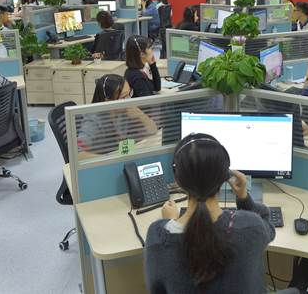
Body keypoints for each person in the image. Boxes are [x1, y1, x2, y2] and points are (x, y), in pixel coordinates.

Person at [145, 133, 275, 294]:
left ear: (178, 180)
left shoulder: (159, 237)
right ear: (225, 176)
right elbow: (268, 229)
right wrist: (244, 198)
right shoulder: (251, 227)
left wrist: (170, 222)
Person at [78, 74, 158, 154]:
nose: (129, 100)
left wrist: (141, 115)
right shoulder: (93, 120)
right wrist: (110, 157)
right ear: (107, 101)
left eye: (129, 93)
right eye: (123, 97)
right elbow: (79, 154)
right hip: (106, 159)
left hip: (121, 154)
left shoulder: (124, 111)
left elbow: (153, 130)